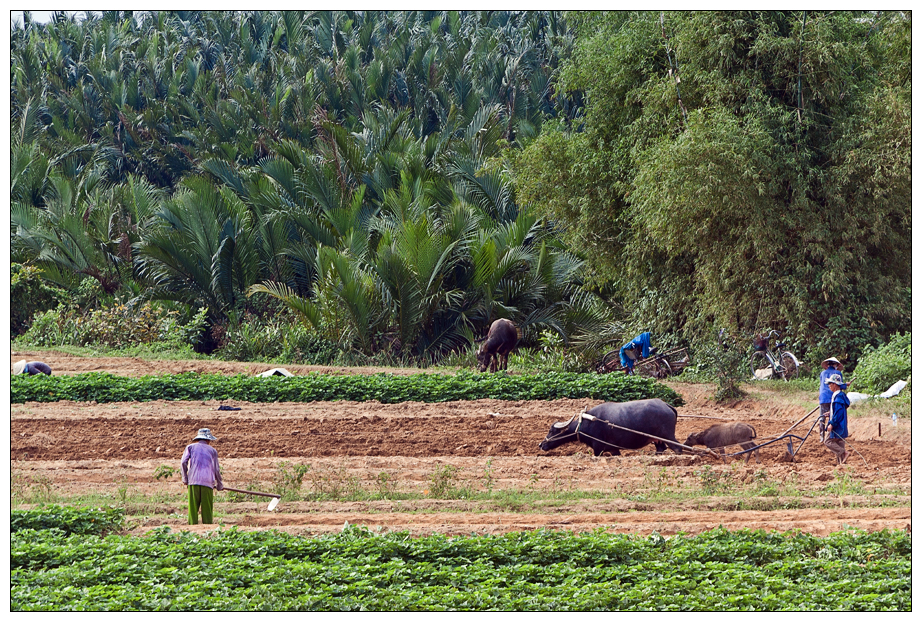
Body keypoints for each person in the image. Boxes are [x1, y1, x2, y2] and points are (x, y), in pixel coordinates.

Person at [180, 428, 224, 525]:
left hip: (193, 480)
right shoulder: (212, 451)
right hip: (207, 482)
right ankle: (208, 528)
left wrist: (185, 478)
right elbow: (216, 469)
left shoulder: (190, 447)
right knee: (207, 509)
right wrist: (220, 484)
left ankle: (191, 528)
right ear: (208, 440)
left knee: (193, 508)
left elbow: (183, 462)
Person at [823, 374, 850, 465]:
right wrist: (830, 413)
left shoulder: (838, 397)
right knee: (839, 442)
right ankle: (842, 465)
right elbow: (838, 411)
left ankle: (843, 453)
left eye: (830, 384)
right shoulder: (839, 395)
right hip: (842, 424)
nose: (829, 386)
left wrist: (831, 423)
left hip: (838, 425)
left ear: (835, 384)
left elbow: (838, 413)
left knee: (828, 441)